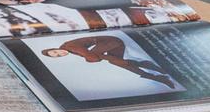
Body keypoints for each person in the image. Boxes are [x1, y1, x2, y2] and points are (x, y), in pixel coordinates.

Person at [40, 35, 174, 88]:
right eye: (57, 56)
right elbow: (94, 57)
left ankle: (157, 74)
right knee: (116, 62)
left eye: (56, 51)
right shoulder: (71, 51)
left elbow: (93, 58)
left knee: (98, 56)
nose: (60, 54)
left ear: (55, 48)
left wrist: (89, 59)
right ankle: (158, 75)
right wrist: (92, 57)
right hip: (114, 44)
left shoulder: (69, 47)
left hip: (111, 41)